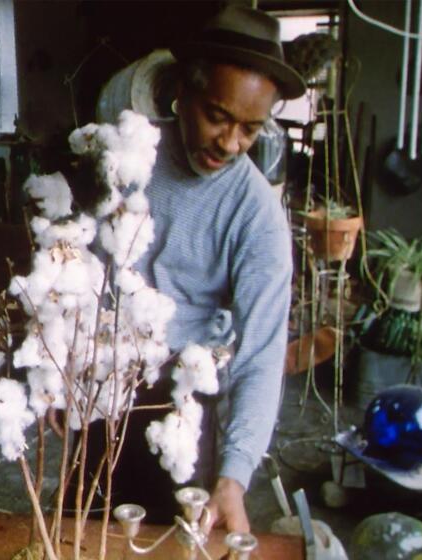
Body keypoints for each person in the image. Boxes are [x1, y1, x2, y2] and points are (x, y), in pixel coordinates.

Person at [85, 5, 306, 533]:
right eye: (217, 116)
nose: (230, 144)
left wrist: (234, 474)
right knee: (86, 531)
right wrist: (67, 369)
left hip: (184, 401)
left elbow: (260, 356)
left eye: (251, 129)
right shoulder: (130, 155)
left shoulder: (257, 218)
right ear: (181, 92)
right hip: (103, 381)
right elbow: (88, 272)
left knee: (175, 538)